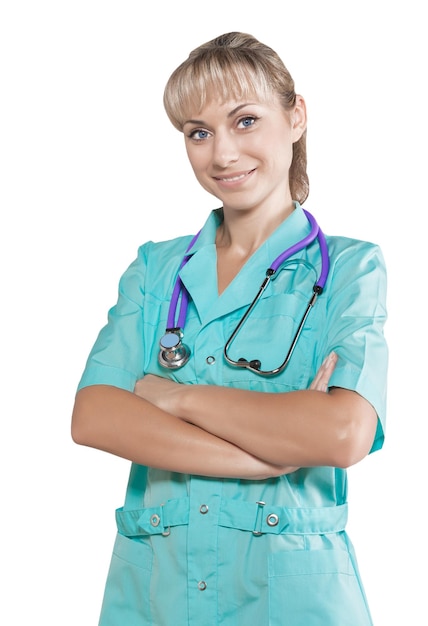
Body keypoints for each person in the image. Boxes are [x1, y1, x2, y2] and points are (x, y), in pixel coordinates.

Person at [71, 31, 388, 626]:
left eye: (245, 121)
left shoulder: (348, 268)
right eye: (198, 132)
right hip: (156, 597)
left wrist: (175, 396)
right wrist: (264, 457)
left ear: (295, 116)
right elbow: (94, 416)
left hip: (294, 600)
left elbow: (343, 432)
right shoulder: (155, 269)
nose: (221, 155)